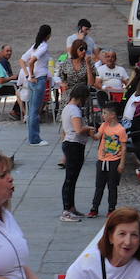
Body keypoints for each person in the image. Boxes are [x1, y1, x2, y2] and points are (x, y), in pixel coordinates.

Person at [88, 102, 128, 218]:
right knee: (99, 185)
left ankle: (111, 208)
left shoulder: (120, 130)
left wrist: (122, 163)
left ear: (113, 115)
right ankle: (94, 207)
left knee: (112, 186)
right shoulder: (104, 126)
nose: (103, 115)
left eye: (105, 113)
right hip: (102, 160)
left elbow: (124, 147)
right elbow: (97, 137)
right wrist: (91, 134)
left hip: (114, 161)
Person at [59, 83, 92, 222]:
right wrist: (89, 128)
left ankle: (71, 207)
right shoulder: (75, 110)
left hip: (70, 143)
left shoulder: (68, 108)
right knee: (70, 179)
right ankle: (66, 210)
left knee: (71, 179)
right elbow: (78, 129)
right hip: (74, 145)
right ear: (81, 97)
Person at [22, 24, 54, 146]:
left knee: (32, 110)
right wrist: (32, 74)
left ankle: (32, 136)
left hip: (33, 80)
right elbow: (31, 61)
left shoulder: (35, 45)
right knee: (35, 110)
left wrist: (28, 75)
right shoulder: (43, 46)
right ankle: (34, 138)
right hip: (39, 79)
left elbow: (22, 59)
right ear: (49, 35)